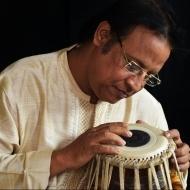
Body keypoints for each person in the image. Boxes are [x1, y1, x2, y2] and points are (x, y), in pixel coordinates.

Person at [0, 0, 189, 189]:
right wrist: (65, 157)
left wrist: (171, 167)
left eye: (149, 76)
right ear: (103, 35)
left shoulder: (147, 107)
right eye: (132, 65)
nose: (136, 85)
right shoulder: (19, 83)